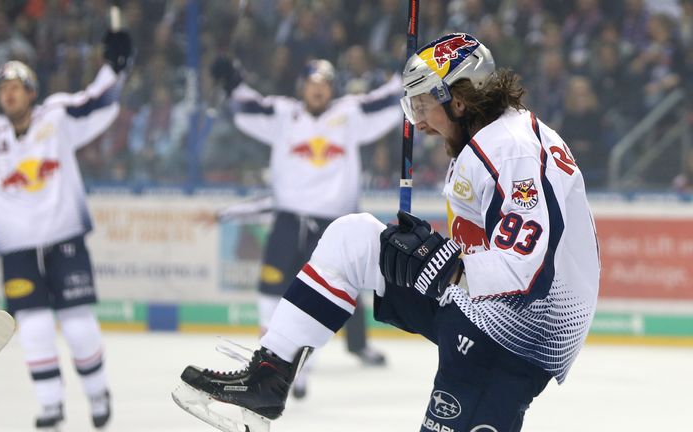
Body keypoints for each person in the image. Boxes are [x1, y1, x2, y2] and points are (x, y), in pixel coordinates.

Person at [174, 32, 600, 432]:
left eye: (422, 106)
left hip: (513, 340)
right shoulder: (491, 138)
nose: (418, 123)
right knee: (353, 239)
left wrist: (444, 263)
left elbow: (528, 269)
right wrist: (434, 254)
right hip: (479, 308)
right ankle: (269, 377)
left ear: (458, 100)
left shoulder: (512, 150)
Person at [0, 30, 132, 430]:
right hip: (17, 252)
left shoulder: (55, 119)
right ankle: (51, 405)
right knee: (34, 328)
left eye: (16, 86)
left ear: (31, 92)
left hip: (64, 241)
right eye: (3, 88)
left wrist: (116, 69)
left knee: (77, 325)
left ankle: (97, 393)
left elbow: (97, 102)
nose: (9, 94)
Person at [209, 56, 403, 397]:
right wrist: (232, 84)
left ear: (332, 89)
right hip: (288, 220)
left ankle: (299, 371)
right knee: (270, 291)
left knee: (318, 296)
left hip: (332, 226)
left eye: (325, 84)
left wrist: (406, 70)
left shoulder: (350, 114)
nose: (318, 90)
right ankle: (268, 360)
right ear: (302, 87)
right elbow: (248, 107)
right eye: (312, 84)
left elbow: (390, 100)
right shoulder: (284, 115)